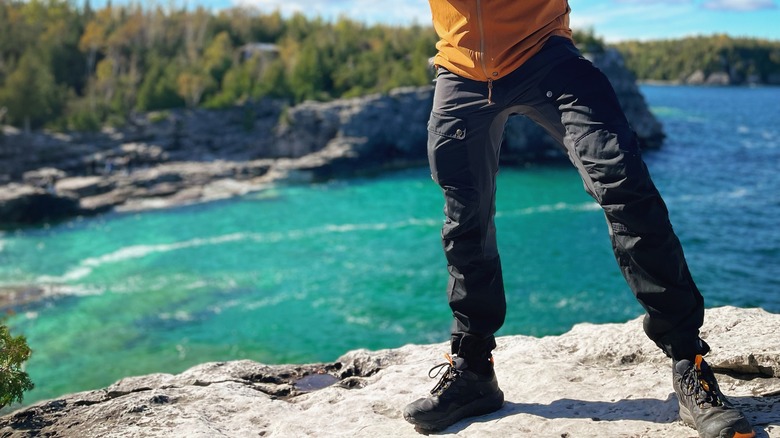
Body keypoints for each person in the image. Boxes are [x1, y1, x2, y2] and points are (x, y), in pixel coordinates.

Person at [402, 1, 756, 437]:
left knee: (625, 189)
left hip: (545, 57)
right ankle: (473, 368)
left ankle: (689, 361)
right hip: (461, 68)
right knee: (464, 221)